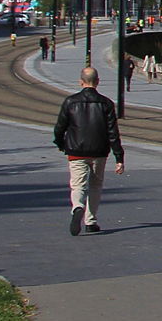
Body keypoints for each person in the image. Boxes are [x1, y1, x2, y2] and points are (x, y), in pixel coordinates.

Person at [53, 66, 125, 235]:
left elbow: (59, 128)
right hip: (99, 151)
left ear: (80, 81)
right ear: (98, 82)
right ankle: (91, 221)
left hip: (76, 151)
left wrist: (61, 143)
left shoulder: (70, 102)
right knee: (95, 185)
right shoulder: (106, 103)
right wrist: (119, 157)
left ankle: (78, 207)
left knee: (78, 185)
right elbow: (113, 133)